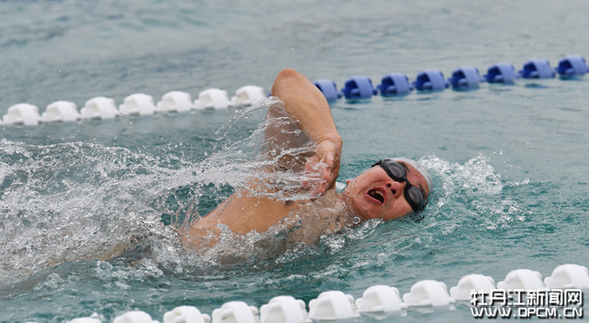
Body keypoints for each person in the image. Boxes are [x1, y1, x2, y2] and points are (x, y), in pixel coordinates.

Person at [179, 68, 432, 251]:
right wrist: (327, 139)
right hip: (158, 256)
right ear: (353, 178)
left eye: (414, 196)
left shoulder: (348, 248)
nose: (397, 185)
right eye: (395, 169)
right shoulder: (308, 185)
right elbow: (288, 80)